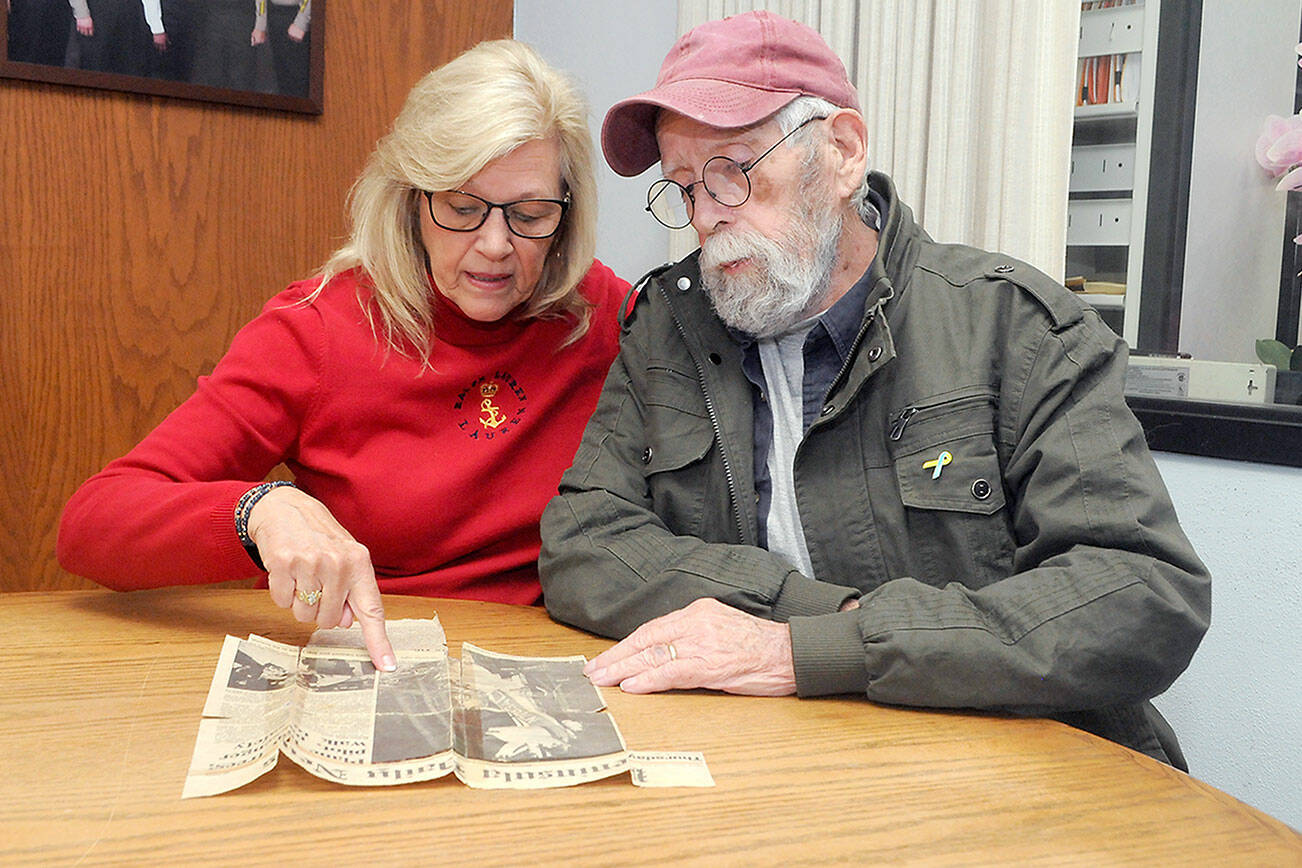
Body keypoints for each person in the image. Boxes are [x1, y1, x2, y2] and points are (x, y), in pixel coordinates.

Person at [539, 11, 1210, 768]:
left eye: (734, 170)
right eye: (685, 188)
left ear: (843, 152)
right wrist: (796, 613)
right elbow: (583, 544)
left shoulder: (1011, 325)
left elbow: (1141, 595)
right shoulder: (671, 323)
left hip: (1020, 772)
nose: (706, 218)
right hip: (789, 764)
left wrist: (810, 650)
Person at [59, 40, 629, 674]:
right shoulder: (319, 327)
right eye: (462, 209)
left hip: (550, 664)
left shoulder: (601, 316)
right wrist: (258, 512)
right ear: (413, 201)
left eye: (529, 214)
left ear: (566, 217)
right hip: (363, 660)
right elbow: (91, 524)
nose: (495, 245)